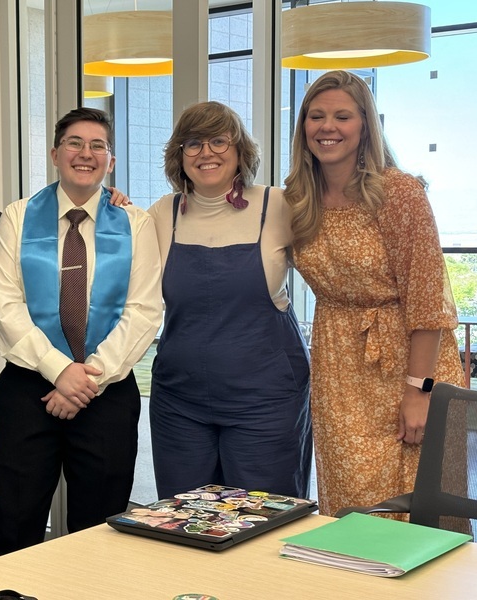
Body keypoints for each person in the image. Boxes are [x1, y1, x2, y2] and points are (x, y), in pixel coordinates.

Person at [284, 70, 464, 517]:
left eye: (342, 116)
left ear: (365, 126)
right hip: (339, 368)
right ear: (303, 126)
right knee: (350, 502)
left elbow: (427, 302)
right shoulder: (297, 199)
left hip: (411, 363)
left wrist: (418, 392)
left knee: (418, 507)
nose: (328, 128)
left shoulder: (398, 192)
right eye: (317, 116)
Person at [0, 107, 162, 557]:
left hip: (106, 393)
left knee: (100, 532)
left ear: (111, 160)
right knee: (17, 525)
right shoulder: (18, 217)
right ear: (54, 154)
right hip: (29, 391)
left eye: (98, 145)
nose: (86, 154)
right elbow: (4, 305)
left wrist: (88, 377)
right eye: (75, 143)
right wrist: (58, 369)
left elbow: (143, 310)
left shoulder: (136, 224)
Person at [148, 101, 312, 500]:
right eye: (193, 143)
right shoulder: (159, 215)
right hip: (179, 404)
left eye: (219, 141)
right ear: (179, 156)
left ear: (240, 151)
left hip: (266, 403)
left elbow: (338, 260)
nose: (207, 153)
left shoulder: (278, 205)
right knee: (185, 522)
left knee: (264, 521)